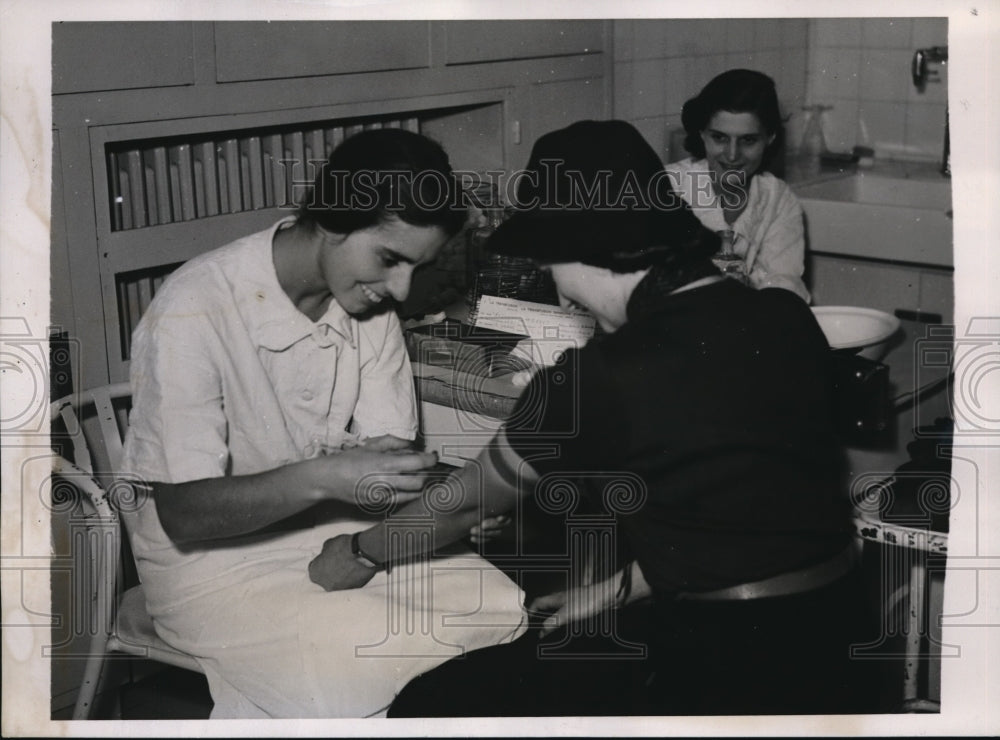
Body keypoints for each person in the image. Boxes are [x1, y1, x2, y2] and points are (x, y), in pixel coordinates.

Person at [308, 120, 880, 716]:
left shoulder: (599, 374)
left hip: (727, 669)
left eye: (551, 265)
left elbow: (470, 502)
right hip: (842, 641)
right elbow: (742, 514)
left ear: (579, 247)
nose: (559, 293)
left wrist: (361, 551)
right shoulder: (784, 316)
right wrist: (613, 591)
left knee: (429, 707)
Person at [118, 129, 528, 718]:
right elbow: (182, 515)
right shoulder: (195, 306)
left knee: (498, 605)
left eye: (419, 266)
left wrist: (461, 499)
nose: (402, 289)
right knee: (360, 654)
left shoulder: (369, 302)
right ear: (335, 220)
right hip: (210, 565)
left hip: (338, 530)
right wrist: (327, 477)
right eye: (390, 259)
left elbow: (382, 474)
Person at [666, 68, 811, 302]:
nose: (732, 155)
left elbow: (784, 286)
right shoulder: (669, 186)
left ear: (770, 137)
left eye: (748, 140)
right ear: (702, 133)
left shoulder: (778, 200)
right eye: (719, 138)